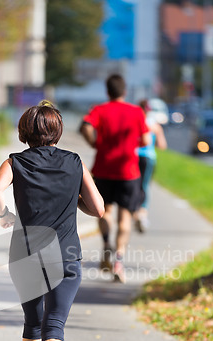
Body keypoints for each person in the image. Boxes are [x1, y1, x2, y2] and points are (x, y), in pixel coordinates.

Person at [0, 101, 104, 341]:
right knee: (55, 324)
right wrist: (75, 200)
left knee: (31, 322)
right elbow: (98, 208)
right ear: (56, 131)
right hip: (65, 254)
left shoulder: (15, 162)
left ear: (25, 131)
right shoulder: (74, 162)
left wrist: (5, 215)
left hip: (25, 252)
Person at [80, 74, 151, 283]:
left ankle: (105, 246)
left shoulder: (99, 110)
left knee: (104, 211)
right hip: (129, 172)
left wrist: (94, 143)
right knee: (125, 218)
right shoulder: (136, 111)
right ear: (124, 91)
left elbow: (85, 126)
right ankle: (119, 261)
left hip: (103, 170)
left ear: (107, 91)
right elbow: (146, 139)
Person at [134, 99, 167, 233]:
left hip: (134, 156)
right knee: (145, 185)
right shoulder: (155, 125)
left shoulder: (135, 122)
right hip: (148, 157)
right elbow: (162, 145)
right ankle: (143, 213)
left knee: (134, 184)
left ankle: (134, 211)